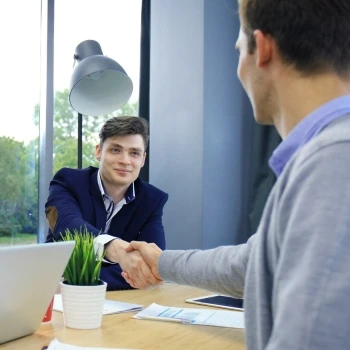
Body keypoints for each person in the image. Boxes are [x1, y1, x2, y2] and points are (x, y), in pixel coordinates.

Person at [122, 0, 350, 349]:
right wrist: (163, 262)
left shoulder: (332, 163)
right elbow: (253, 263)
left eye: (240, 49)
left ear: (264, 49)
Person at [45, 116, 168, 290]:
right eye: (116, 150)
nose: (125, 160)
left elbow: (149, 267)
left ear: (143, 159)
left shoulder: (152, 200)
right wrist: (117, 251)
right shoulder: (68, 181)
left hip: (117, 301)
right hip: (58, 299)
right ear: (98, 152)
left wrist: (73, 279)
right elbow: (66, 226)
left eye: (134, 153)